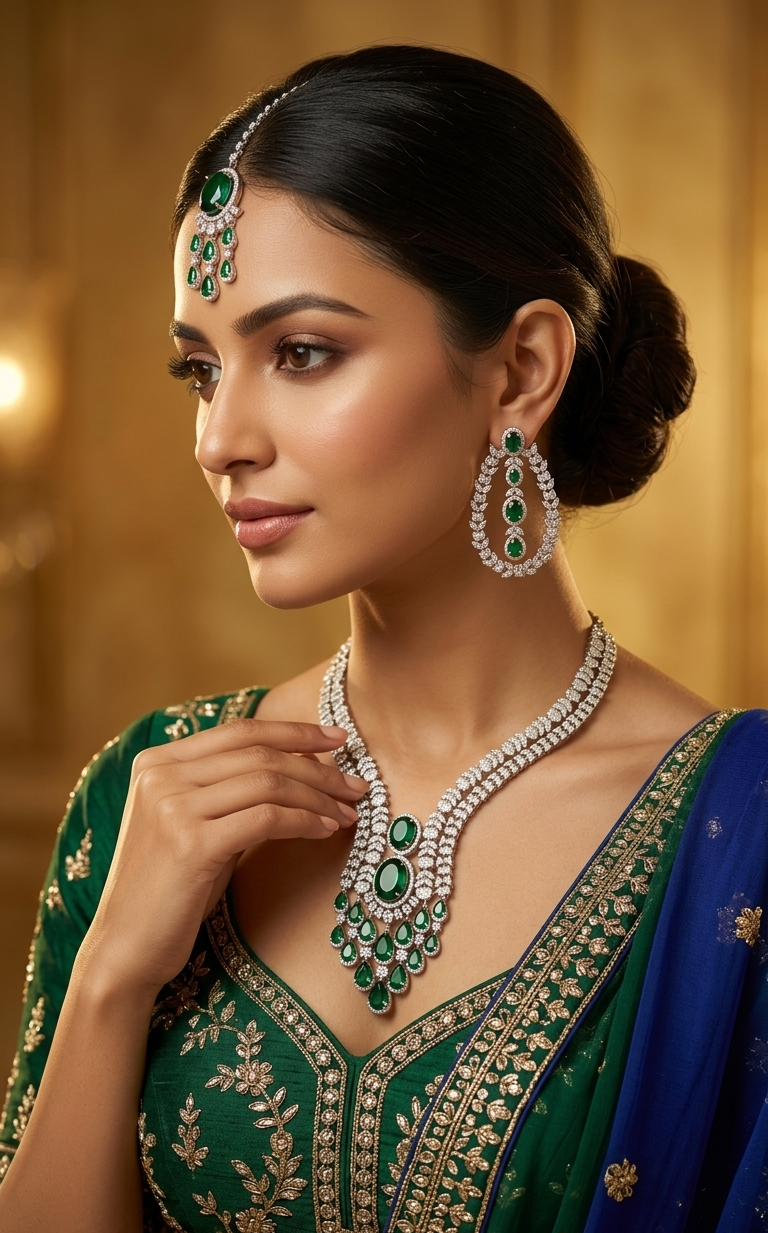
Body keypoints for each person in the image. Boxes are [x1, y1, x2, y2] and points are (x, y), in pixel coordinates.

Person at [0, 44, 765, 1233]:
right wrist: (110, 980)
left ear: (520, 370)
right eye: (200, 370)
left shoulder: (738, 835)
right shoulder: (143, 802)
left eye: (301, 353)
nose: (220, 438)